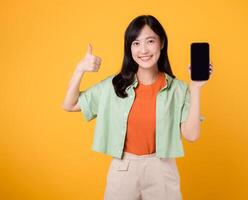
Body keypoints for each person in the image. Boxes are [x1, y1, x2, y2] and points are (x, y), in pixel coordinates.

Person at [62, 15, 213, 200]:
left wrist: (195, 88)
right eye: (136, 43)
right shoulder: (114, 85)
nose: (143, 50)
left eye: (150, 41)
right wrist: (80, 69)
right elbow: (70, 104)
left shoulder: (179, 89)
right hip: (123, 168)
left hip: (162, 169)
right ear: (129, 47)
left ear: (162, 43)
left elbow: (191, 135)